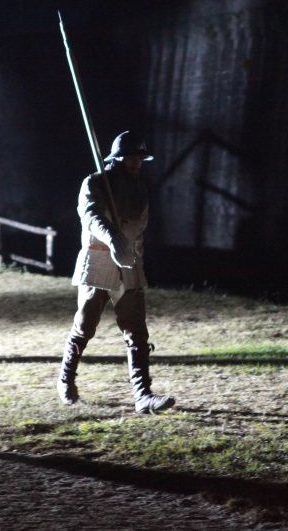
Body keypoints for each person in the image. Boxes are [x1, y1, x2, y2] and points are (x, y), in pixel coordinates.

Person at [56, 131, 175, 414]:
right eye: (130, 158)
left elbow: (138, 227)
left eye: (139, 158)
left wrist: (133, 255)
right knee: (85, 326)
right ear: (117, 158)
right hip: (98, 262)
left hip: (129, 266)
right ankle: (66, 379)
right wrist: (112, 236)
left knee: (137, 332)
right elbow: (92, 216)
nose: (136, 163)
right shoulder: (95, 183)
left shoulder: (140, 188)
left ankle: (143, 395)